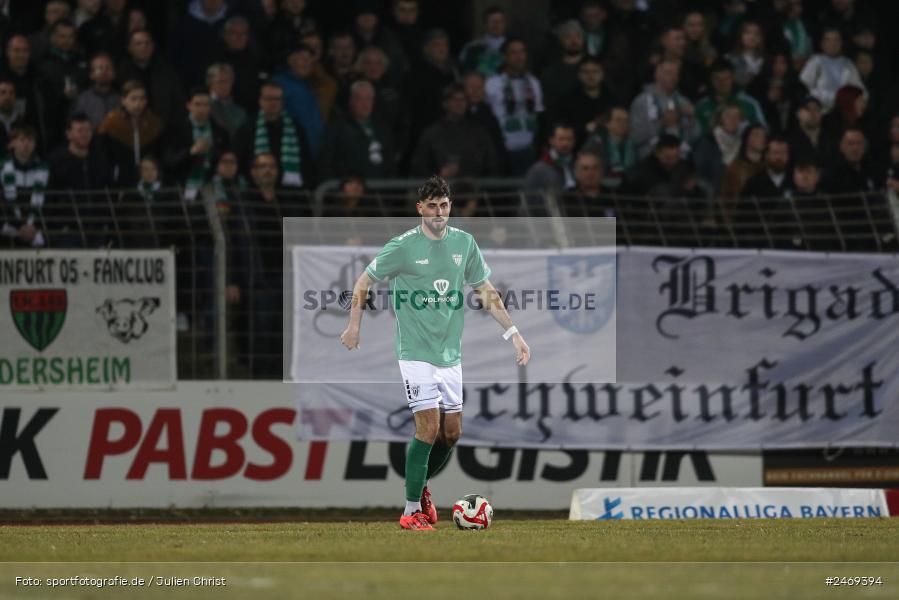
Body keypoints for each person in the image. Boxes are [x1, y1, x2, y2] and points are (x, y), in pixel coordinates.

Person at [339, 175, 530, 531]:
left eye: (444, 206)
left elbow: (485, 290)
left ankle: (420, 485)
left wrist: (514, 333)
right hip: (414, 352)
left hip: (449, 354)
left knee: (451, 433)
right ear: (420, 209)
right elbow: (364, 281)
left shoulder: (464, 243)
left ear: (450, 206)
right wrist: (354, 326)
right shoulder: (402, 246)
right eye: (432, 206)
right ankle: (411, 510)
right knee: (428, 427)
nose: (439, 213)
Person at [232, 81, 314, 188]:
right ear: (260, 101)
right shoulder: (247, 128)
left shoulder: (296, 129)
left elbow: (306, 163)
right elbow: (238, 160)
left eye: (277, 99)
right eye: (268, 98)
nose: (273, 103)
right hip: (254, 190)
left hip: (289, 190)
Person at [412, 83, 499, 178]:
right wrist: (438, 174)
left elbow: (492, 164)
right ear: (445, 103)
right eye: (454, 99)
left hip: (475, 185)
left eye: (463, 99)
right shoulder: (432, 133)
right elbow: (419, 166)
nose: (459, 103)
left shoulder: (479, 132)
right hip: (443, 185)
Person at [485, 38, 544, 175]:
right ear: (505, 56)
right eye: (513, 52)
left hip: (529, 148)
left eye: (522, 52)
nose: (519, 56)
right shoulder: (493, 83)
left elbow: (539, 114)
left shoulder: (534, 83)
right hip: (504, 148)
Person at [318, 80, 395, 181]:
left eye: (369, 99)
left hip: (379, 187)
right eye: (360, 99)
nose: (365, 104)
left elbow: (390, 162)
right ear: (351, 101)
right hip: (349, 187)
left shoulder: (382, 128)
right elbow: (325, 161)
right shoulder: (337, 127)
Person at [162, 87, 228, 201]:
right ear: (189, 105)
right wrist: (191, 151)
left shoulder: (220, 132)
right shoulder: (175, 130)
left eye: (206, 105)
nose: (202, 109)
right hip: (182, 188)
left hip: (212, 187)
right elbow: (168, 162)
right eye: (197, 104)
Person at [97, 79, 162, 186]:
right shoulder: (111, 124)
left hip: (149, 180)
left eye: (142, 99)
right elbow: (103, 156)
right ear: (123, 100)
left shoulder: (153, 124)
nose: (138, 103)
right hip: (120, 181)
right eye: (133, 99)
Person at [629, 60, 700, 158]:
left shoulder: (684, 102)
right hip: (652, 157)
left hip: (681, 157)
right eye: (668, 73)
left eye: (676, 74)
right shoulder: (642, 101)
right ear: (657, 75)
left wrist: (692, 119)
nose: (673, 77)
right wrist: (661, 123)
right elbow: (635, 137)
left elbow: (696, 137)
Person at [117, 29, 185, 127]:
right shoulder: (120, 73)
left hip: (164, 127)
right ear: (129, 48)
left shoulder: (166, 72)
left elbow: (177, 101)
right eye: (138, 44)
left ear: (153, 47)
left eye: (147, 43)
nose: (143, 47)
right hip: (128, 127)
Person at [1, 125, 47, 248]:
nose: (26, 144)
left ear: (35, 145)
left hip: (35, 229)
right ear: (12, 144)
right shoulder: (2, 168)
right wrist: (18, 227)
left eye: (30, 140)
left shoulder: (44, 169)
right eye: (22, 140)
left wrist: (33, 227)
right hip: (7, 227)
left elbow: (48, 202)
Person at [799, 28, 864, 113]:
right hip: (819, 110)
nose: (832, 44)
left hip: (842, 110)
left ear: (841, 43)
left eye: (836, 40)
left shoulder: (847, 64)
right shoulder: (816, 61)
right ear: (822, 44)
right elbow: (804, 86)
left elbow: (858, 88)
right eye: (828, 40)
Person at [273, 45, 324, 154]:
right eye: (302, 58)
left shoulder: (308, 87)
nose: (307, 62)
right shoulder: (280, 85)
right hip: (291, 152)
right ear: (290, 60)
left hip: (310, 152)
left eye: (309, 59)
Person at [694, 59, 766, 134]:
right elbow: (694, 135)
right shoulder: (701, 106)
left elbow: (762, 131)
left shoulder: (749, 104)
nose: (722, 82)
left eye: (726, 78)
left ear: (733, 78)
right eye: (717, 78)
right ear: (711, 80)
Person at [557, 56, 614, 147]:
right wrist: (584, 128)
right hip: (577, 146)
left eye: (595, 71)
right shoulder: (568, 100)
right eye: (586, 72)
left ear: (602, 74)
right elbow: (563, 127)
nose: (591, 76)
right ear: (579, 75)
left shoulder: (611, 98)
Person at [692, 103, 744, 194]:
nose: (733, 120)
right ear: (720, 119)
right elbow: (700, 170)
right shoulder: (707, 141)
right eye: (728, 116)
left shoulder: (742, 142)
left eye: (737, 116)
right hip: (711, 191)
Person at [540, 20, 586, 121]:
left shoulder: (594, 68)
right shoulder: (551, 72)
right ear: (561, 40)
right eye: (568, 36)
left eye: (578, 36)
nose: (574, 41)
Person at [582, 105, 635, 189]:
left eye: (626, 120)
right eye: (618, 120)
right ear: (607, 124)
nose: (623, 123)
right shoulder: (596, 144)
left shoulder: (633, 144)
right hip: (603, 186)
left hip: (629, 186)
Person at [69, 52, 118, 130]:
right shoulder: (82, 100)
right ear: (91, 74)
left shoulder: (121, 99)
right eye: (99, 68)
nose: (104, 71)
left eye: (108, 68)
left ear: (114, 74)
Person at [524, 122, 576, 192]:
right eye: (561, 139)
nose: (565, 143)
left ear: (574, 141)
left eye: (569, 139)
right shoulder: (538, 170)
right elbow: (528, 195)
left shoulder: (578, 165)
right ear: (551, 141)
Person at [459, 6, 506, 76]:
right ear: (485, 23)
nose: (496, 24)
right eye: (493, 21)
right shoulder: (472, 47)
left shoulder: (513, 47)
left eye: (500, 21)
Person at [206, 63, 247, 138]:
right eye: (220, 82)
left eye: (227, 81)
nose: (224, 86)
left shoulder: (240, 112)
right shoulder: (203, 106)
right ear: (210, 84)